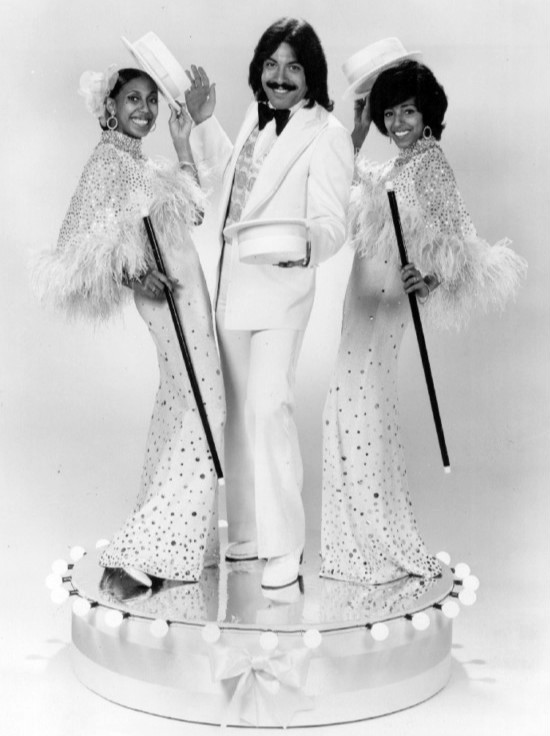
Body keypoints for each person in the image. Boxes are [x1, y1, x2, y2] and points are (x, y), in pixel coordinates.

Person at [320, 56, 527, 585]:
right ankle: (355, 549)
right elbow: (343, 176)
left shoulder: (432, 163)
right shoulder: (392, 166)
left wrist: (431, 279)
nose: (398, 124)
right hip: (357, 305)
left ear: (427, 112)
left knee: (361, 414)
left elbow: (463, 247)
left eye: (407, 111)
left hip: (386, 308)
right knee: (344, 411)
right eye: (390, 114)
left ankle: (378, 550)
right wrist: (359, 129)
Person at [33, 66, 225, 593]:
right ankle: (150, 546)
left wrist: (183, 141)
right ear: (110, 107)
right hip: (170, 302)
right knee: (205, 407)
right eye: (132, 99)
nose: (144, 109)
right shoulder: (109, 162)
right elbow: (78, 247)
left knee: (180, 406)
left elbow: (198, 213)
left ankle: (186, 544)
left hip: (191, 297)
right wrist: (134, 274)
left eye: (151, 101)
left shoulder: (139, 161)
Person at [184, 17, 354, 590]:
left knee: (268, 407)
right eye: (272, 65)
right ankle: (248, 534)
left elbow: (334, 223)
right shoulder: (253, 119)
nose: (280, 78)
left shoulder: (326, 133)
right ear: (259, 69)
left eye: (294, 67)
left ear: (312, 76)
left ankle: (285, 548)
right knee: (236, 415)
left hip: (282, 292)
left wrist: (301, 248)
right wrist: (205, 123)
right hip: (233, 289)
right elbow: (227, 187)